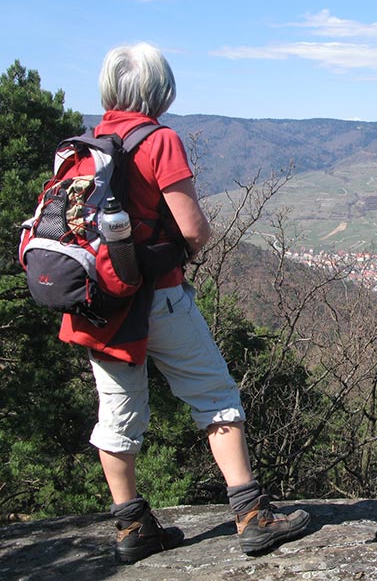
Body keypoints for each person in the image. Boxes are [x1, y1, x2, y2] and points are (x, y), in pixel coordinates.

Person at [59, 42, 310, 564]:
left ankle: (132, 528)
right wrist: (179, 248)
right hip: (157, 296)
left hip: (96, 301)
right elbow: (194, 228)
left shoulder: (82, 145)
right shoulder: (158, 140)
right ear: (160, 90)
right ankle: (251, 515)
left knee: (116, 413)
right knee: (213, 395)